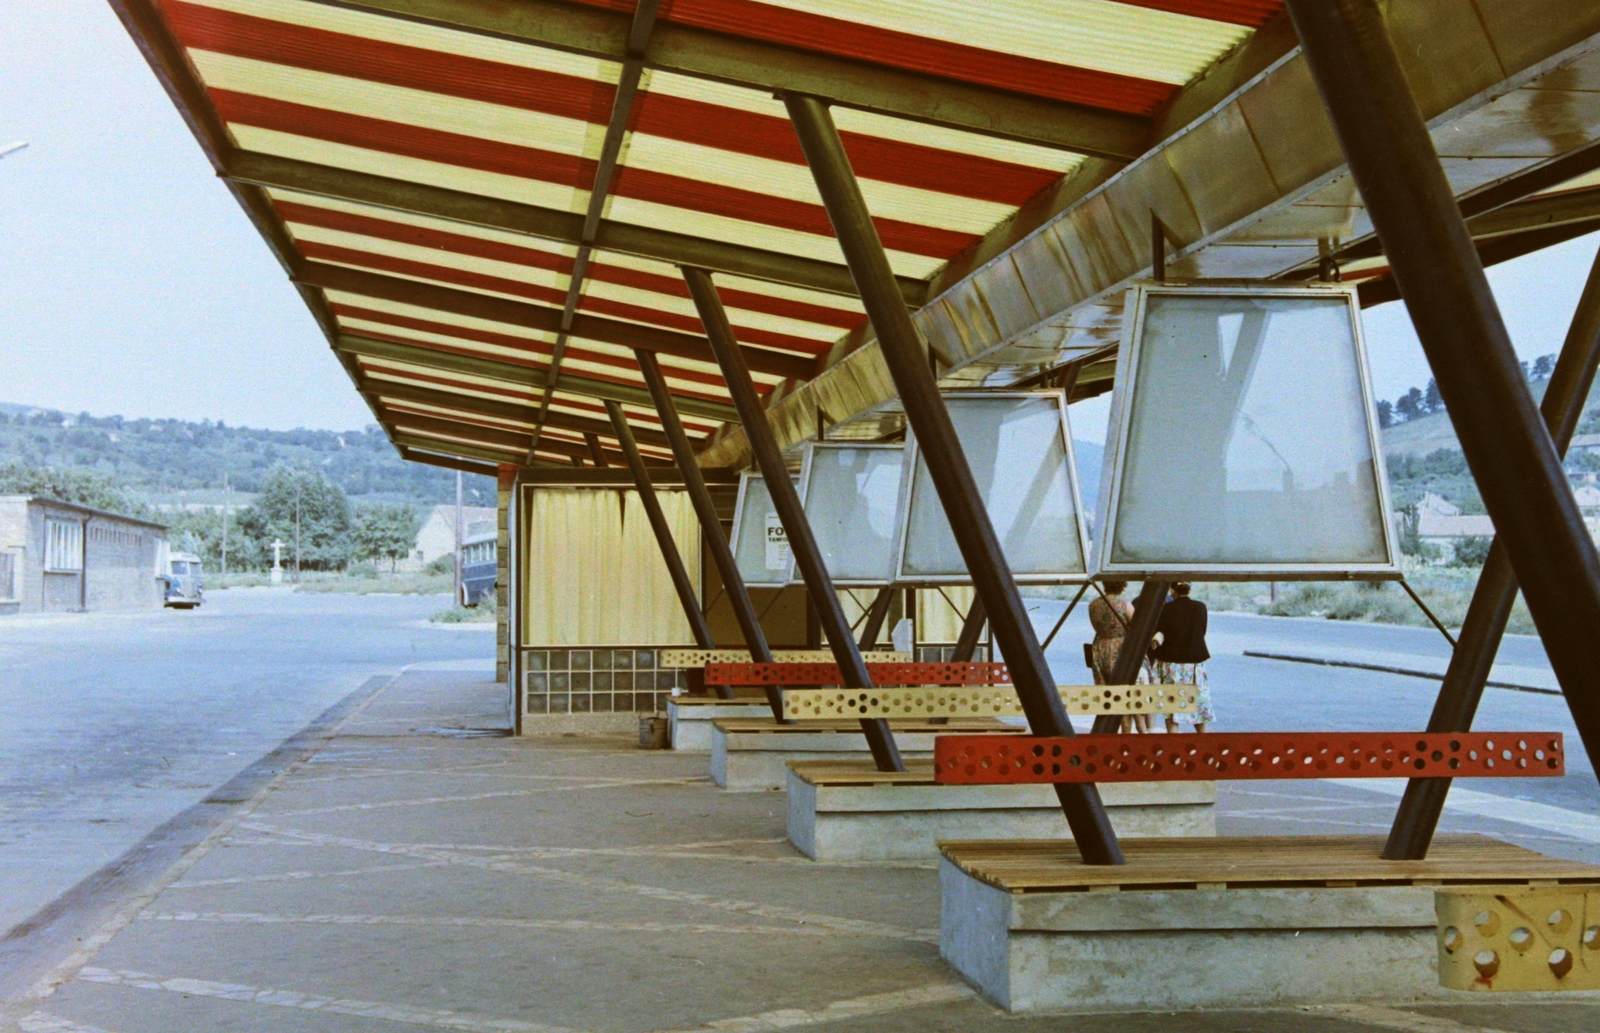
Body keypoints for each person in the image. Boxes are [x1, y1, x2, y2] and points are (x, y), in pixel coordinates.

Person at [1086, 581, 1150, 732]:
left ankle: (1120, 731)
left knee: (1110, 695)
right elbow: (1136, 627)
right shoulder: (1124, 604)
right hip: (1120, 649)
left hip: (1100, 648)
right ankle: (1131, 732)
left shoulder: (1093, 605)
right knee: (1127, 692)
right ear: (1122, 588)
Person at [1152, 583, 1214, 732]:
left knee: (1172, 703)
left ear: (1172, 590)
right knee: (1198, 702)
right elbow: (1202, 630)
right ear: (1189, 590)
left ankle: (1173, 739)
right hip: (1194, 662)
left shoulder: (1166, 608)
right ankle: (1203, 739)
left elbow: (1161, 631)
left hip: (1170, 662)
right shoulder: (1200, 607)